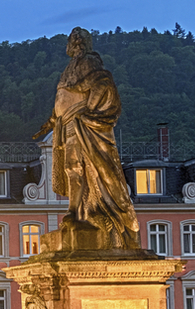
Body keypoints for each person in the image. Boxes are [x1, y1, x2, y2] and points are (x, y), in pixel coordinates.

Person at [36, 28, 139, 251]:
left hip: (82, 124)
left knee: (82, 168)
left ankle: (79, 213)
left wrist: (90, 112)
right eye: (73, 40)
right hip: (68, 123)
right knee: (72, 169)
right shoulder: (70, 66)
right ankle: (76, 213)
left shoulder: (89, 61)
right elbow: (66, 95)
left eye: (79, 40)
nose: (75, 43)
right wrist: (53, 119)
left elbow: (103, 83)